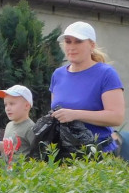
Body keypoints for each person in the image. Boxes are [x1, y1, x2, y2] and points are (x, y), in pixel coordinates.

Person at [49, 21, 125, 152]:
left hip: (97, 153)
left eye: (78, 41)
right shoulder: (58, 74)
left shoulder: (106, 74)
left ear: (92, 45)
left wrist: (75, 114)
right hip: (64, 153)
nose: (71, 47)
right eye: (68, 41)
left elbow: (116, 117)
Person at [0, 84, 36, 158]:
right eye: (5, 104)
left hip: (23, 169)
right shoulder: (9, 125)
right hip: (7, 169)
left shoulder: (31, 128)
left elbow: (39, 154)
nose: (7, 108)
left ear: (26, 106)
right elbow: (8, 147)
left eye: (12, 104)